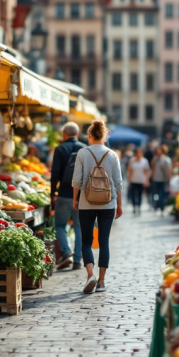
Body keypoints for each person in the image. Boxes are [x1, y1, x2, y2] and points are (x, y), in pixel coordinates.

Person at [72, 120, 123, 294]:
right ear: (104, 136)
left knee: (86, 241)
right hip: (108, 203)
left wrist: (75, 198)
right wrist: (120, 204)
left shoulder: (82, 153)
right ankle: (101, 282)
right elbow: (118, 182)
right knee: (104, 241)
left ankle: (90, 275)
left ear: (90, 135)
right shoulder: (112, 154)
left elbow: (77, 180)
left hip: (86, 202)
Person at [49, 122, 85, 270]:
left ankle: (66, 252)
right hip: (81, 195)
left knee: (59, 225)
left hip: (64, 193)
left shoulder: (60, 149)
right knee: (79, 227)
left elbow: (55, 173)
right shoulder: (85, 148)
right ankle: (77, 260)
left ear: (64, 134)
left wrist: (52, 194)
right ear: (77, 133)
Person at [150, 145, 172, 215]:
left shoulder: (166, 160)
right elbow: (153, 168)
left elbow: (168, 171)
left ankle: (161, 208)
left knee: (161, 194)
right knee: (156, 194)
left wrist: (169, 180)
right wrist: (152, 177)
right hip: (156, 179)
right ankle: (157, 207)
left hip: (163, 179)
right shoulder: (155, 159)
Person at [127, 149, 150, 215]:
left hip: (141, 180)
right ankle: (134, 207)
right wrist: (129, 179)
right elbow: (129, 170)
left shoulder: (144, 161)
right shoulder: (132, 161)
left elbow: (147, 171)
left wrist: (147, 180)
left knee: (140, 195)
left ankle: (139, 207)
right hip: (133, 180)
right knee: (133, 195)